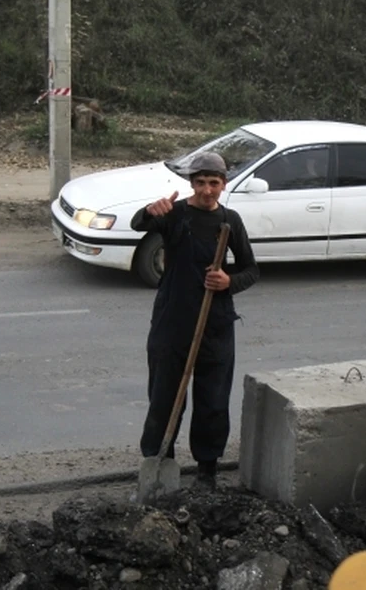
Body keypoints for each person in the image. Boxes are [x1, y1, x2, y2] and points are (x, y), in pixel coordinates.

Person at [131, 151, 259, 489]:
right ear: (191, 183)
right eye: (200, 182)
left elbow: (251, 269)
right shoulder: (174, 214)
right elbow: (138, 224)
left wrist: (229, 281)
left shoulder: (231, 221)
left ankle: (207, 470)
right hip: (172, 322)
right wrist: (149, 211)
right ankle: (159, 461)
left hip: (215, 325)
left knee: (213, 400)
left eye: (213, 183)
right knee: (164, 397)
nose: (206, 190)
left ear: (224, 185)